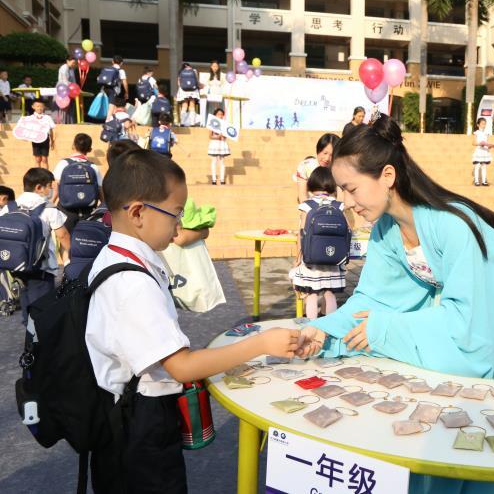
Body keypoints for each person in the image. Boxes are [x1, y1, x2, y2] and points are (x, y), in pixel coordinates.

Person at [296, 115, 494, 494]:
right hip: (452, 306)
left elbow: (468, 331)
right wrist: (323, 330)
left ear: (387, 176)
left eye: (351, 189)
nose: (346, 203)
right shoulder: (385, 228)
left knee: (484, 417)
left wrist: (384, 330)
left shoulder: (454, 226)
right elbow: (372, 298)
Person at [85, 149, 300, 493]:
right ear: (138, 212)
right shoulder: (133, 284)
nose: (179, 227)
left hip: (125, 416)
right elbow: (182, 367)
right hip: (138, 425)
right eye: (175, 214)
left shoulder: (119, 256)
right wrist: (261, 344)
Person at [0, 168, 70, 324]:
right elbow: (63, 235)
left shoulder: (9, 207)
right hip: (41, 268)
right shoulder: (48, 208)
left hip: (15, 266)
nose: (51, 190)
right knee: (43, 310)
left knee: (26, 304)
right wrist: (69, 261)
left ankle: (30, 341)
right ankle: (39, 344)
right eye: (49, 186)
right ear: (39, 187)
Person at [293, 167, 346, 319]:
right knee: (329, 293)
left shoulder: (307, 205)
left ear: (311, 185)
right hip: (334, 258)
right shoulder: (339, 206)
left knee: (311, 294)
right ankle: (330, 327)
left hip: (311, 259)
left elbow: (301, 232)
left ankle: (311, 326)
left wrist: (298, 258)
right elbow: (347, 230)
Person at [53, 132, 103, 232]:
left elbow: (56, 186)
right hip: (87, 211)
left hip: (66, 210)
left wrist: (52, 203)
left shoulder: (63, 163)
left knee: (66, 242)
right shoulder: (93, 167)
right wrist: (104, 207)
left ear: (73, 146)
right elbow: (100, 190)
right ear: (90, 149)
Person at [294, 133, 337, 203]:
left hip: (334, 211)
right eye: (325, 153)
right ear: (318, 150)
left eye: (331, 155)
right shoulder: (305, 166)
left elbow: (341, 199)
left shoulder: (339, 170)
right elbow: (302, 196)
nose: (327, 158)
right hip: (311, 210)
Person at [29, 98, 56, 169]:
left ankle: (46, 176)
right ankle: (37, 176)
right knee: (37, 159)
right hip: (35, 140)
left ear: (44, 107)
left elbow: (51, 130)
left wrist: (52, 141)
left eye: (41, 106)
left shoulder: (47, 118)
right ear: (33, 107)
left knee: (44, 159)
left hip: (45, 139)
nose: (39, 108)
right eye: (37, 106)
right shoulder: (30, 118)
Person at [208, 108, 230, 185]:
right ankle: (214, 179)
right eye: (218, 114)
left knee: (222, 161)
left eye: (221, 114)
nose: (220, 116)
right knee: (214, 160)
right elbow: (210, 136)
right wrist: (217, 137)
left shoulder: (225, 125)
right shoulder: (212, 124)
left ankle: (222, 179)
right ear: (215, 115)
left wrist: (223, 136)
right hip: (214, 143)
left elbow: (226, 136)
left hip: (222, 143)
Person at [104, 56, 128, 121]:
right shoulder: (121, 71)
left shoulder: (108, 69)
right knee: (111, 106)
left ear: (112, 61)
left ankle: (112, 120)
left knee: (112, 105)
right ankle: (108, 121)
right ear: (121, 63)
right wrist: (126, 92)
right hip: (114, 90)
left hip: (105, 89)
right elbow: (124, 83)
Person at [176, 62, 200, 126]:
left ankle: (182, 122)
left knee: (184, 106)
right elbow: (197, 81)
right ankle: (192, 123)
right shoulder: (194, 71)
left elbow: (178, 84)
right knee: (192, 105)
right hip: (193, 90)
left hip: (183, 90)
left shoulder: (181, 71)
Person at [57, 56, 77, 124]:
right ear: (67, 61)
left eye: (75, 63)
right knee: (64, 108)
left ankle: (69, 122)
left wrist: (76, 87)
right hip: (63, 89)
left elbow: (74, 81)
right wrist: (73, 86)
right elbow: (65, 81)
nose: (74, 64)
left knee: (70, 108)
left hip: (70, 90)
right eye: (73, 62)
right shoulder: (64, 68)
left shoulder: (71, 69)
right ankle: (62, 122)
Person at [472, 117, 492, 186]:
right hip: (479, 150)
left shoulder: (487, 133)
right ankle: (476, 181)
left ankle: (484, 181)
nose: (484, 125)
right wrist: (480, 144)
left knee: (484, 166)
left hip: (485, 151)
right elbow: (473, 143)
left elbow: (488, 142)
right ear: (478, 125)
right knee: (477, 165)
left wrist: (490, 146)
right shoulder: (476, 133)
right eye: (482, 123)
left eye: (485, 124)